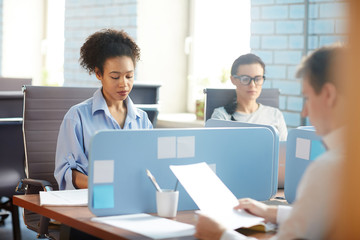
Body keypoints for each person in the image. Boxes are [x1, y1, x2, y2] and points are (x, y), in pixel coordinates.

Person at [195, 44, 345, 240]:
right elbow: (320, 217)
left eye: (307, 97)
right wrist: (270, 212)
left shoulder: (328, 169)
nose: (304, 112)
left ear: (328, 95)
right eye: (246, 79)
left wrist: (220, 235)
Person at [54, 29, 153, 190]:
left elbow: (150, 165)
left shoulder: (141, 119)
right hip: (92, 199)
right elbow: (66, 173)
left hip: (132, 198)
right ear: (99, 74)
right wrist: (103, 185)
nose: (124, 84)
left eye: (129, 76)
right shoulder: (77, 117)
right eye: (115, 76)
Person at [211, 53, 288, 141]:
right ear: (233, 80)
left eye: (258, 79)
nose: (252, 85)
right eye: (245, 79)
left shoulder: (275, 115)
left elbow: (283, 152)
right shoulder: (221, 117)